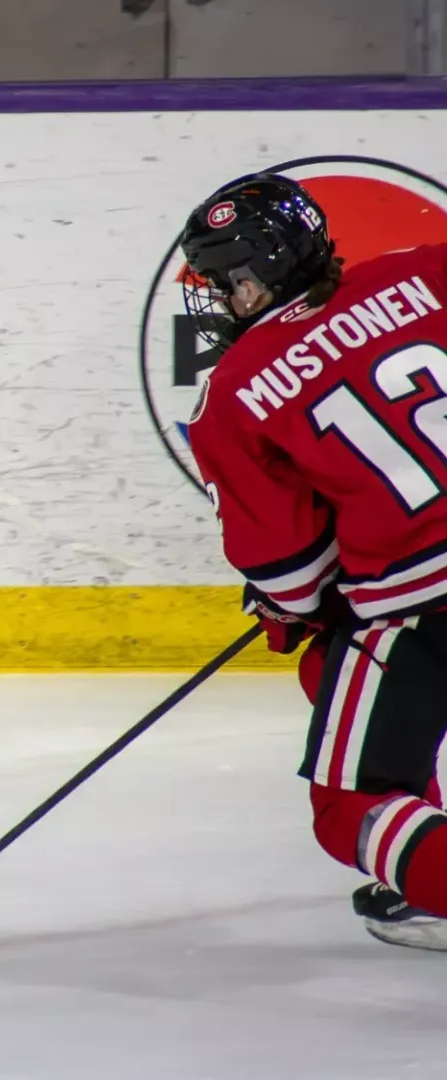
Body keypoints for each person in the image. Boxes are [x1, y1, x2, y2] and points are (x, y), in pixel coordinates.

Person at [181, 173, 447, 951]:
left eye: (225, 284)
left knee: (350, 807)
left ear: (254, 280)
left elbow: (292, 576)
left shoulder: (234, 391)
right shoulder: (426, 270)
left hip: (423, 605)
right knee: (334, 676)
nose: (221, 303)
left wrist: (283, 608)